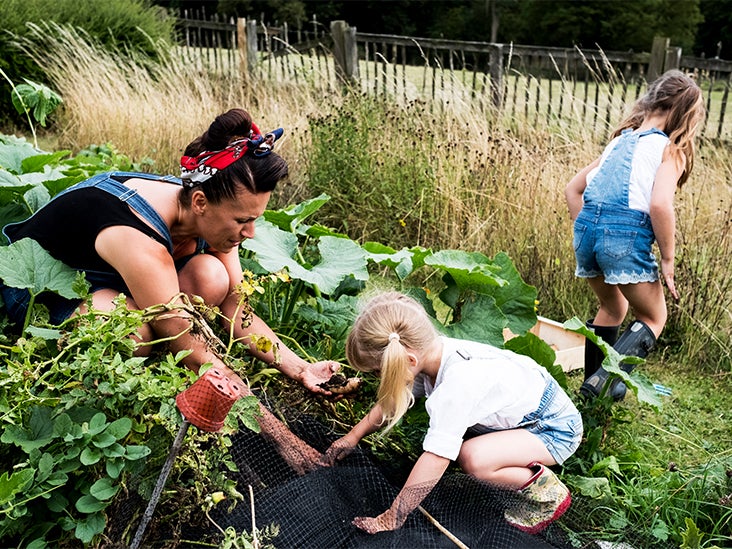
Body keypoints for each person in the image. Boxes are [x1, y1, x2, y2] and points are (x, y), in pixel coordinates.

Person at [1, 108, 340, 469]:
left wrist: (299, 367)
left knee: (212, 276)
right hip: (43, 284)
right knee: (134, 333)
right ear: (200, 204)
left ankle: (150, 324)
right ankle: (90, 380)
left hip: (118, 275)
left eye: (255, 219)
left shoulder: (210, 198)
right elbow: (190, 345)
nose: (250, 233)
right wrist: (283, 439)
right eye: (243, 221)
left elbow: (236, 303)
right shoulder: (139, 235)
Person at [320, 292, 582, 535]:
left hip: (552, 428)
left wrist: (392, 517)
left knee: (472, 458)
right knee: (462, 446)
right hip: (533, 406)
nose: (379, 379)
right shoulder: (432, 353)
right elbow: (392, 401)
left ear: (408, 360)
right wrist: (354, 436)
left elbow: (437, 457)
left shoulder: (458, 383)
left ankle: (547, 493)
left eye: (379, 372)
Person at [564, 70, 705, 401]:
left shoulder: (618, 141)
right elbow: (659, 205)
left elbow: (573, 190)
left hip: (587, 234)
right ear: (685, 113)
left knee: (612, 307)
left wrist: (588, 231)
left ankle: (592, 391)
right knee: (655, 316)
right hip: (624, 239)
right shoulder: (670, 150)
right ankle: (604, 381)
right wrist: (667, 259)